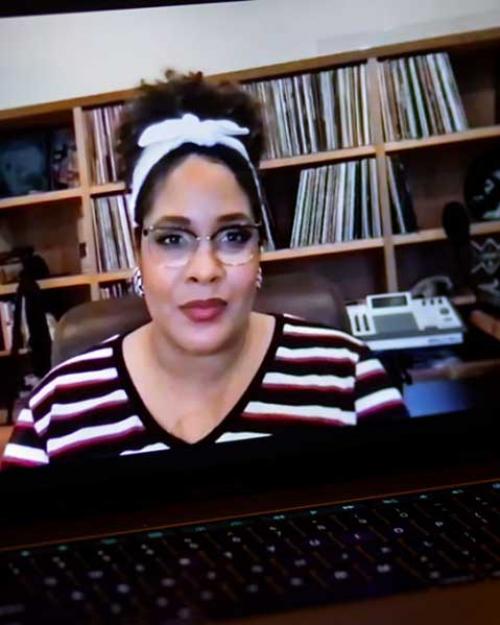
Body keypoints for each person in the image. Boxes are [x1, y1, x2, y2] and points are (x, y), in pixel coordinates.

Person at [1, 69, 408, 469]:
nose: (205, 270)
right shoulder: (54, 413)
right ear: (137, 247)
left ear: (260, 245)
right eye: (172, 239)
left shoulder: (349, 380)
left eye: (233, 235)